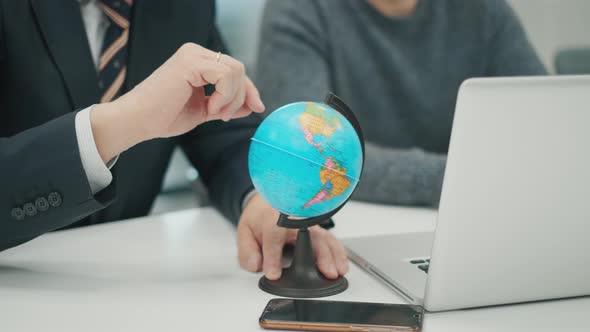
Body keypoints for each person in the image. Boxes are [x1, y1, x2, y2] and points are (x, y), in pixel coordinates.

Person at [0, 0, 348, 281]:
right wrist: (122, 122)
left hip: (128, 280)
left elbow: (221, 134)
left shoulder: (185, 8)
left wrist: (258, 198)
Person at [256, 0, 547, 208]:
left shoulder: (484, 10)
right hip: (354, 224)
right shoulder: (299, 9)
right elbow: (308, 157)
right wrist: (460, 178)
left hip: (474, 213)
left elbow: (548, 121)